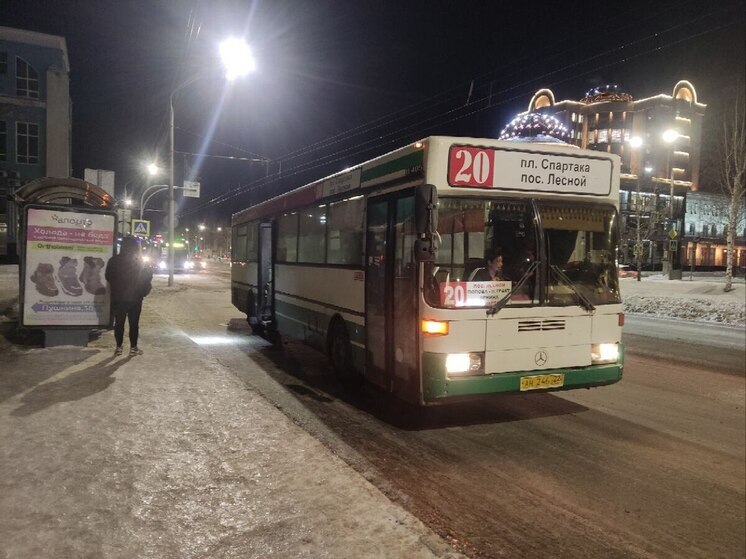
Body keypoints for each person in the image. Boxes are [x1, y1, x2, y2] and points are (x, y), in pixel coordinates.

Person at [105, 236, 153, 356]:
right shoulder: (140, 262)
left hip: (118, 298)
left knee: (119, 323)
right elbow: (147, 277)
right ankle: (133, 347)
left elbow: (108, 277)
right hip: (135, 298)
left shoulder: (114, 260)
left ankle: (119, 347)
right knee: (134, 323)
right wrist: (143, 291)